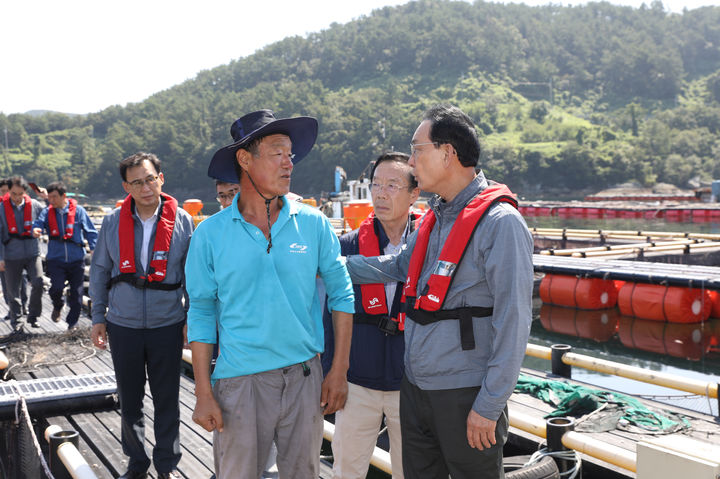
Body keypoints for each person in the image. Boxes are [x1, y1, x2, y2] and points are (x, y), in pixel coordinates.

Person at [345, 104, 533, 479]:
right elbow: (397, 267)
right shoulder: (435, 217)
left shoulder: (501, 224)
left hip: (465, 395)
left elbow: (514, 321)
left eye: (417, 149)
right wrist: (327, 267)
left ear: (447, 153)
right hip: (416, 388)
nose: (412, 161)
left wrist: (489, 406)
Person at [187, 109, 355, 479]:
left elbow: (342, 294)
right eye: (277, 152)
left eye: (290, 154)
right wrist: (203, 391)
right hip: (239, 383)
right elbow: (200, 313)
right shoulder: (209, 235)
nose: (288, 163)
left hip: (304, 377)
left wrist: (338, 369)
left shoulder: (313, 223)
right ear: (244, 159)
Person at [89, 152, 194, 479]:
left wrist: (191, 317)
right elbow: (100, 270)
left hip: (167, 324)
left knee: (168, 400)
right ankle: (136, 463)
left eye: (150, 179)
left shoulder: (183, 221)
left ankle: (167, 466)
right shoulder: (111, 221)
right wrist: (97, 317)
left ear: (161, 179)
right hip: (123, 324)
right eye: (137, 182)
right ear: (126, 186)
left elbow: (191, 273)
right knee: (130, 400)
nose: (146, 187)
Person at [322, 152, 419, 479]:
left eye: (392, 185)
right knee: (347, 468)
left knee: (412, 469)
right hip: (357, 381)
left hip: (411, 383)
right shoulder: (348, 246)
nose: (381, 193)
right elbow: (330, 313)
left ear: (414, 194)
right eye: (376, 184)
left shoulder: (429, 243)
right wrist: (330, 372)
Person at [32, 181, 98, 329]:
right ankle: (58, 305)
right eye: (50, 197)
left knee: (77, 293)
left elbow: (91, 232)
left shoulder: (79, 211)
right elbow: (38, 224)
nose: (52, 200)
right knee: (55, 288)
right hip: (56, 259)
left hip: (76, 259)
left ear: (63, 196)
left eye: (55, 197)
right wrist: (36, 230)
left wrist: (94, 248)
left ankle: (72, 324)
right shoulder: (47, 212)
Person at [0, 176, 45, 330]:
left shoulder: (35, 205)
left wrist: (40, 229)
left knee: (38, 282)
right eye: (13, 194)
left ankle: (33, 315)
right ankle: (17, 323)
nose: (17, 198)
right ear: (8, 192)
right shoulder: (1, 208)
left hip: (33, 253)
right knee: (13, 293)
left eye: (20, 194)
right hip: (11, 256)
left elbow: (47, 218)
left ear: (25, 192)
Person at [0, 178, 27, 320]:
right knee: (5, 283)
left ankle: (24, 306)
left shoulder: (18, 206)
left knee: (21, 279)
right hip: (3, 253)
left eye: (7, 191)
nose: (5, 194)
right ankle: (12, 309)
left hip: (16, 252)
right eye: (2, 191)